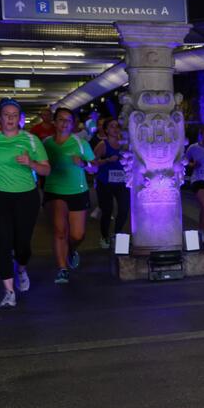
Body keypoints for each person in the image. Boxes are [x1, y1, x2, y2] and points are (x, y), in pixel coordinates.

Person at [0, 98, 50, 307]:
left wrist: (31, 162)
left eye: (14, 115)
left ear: (20, 119)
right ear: (0, 118)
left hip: (25, 197)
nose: (10, 118)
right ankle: (9, 292)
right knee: (3, 244)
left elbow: (46, 170)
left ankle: (21, 268)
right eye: (6, 115)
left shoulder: (31, 140)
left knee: (22, 246)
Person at [42, 107, 96, 285]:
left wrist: (84, 163)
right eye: (61, 119)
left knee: (78, 235)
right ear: (55, 121)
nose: (64, 123)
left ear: (73, 124)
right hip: (54, 190)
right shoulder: (46, 143)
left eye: (68, 120)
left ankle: (71, 249)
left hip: (78, 191)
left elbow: (94, 167)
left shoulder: (80, 143)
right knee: (59, 232)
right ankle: (62, 269)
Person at [93, 117, 129, 248]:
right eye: (112, 126)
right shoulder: (103, 145)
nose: (115, 129)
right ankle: (104, 237)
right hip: (105, 182)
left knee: (124, 209)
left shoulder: (124, 144)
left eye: (117, 126)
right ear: (106, 129)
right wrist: (107, 160)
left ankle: (117, 234)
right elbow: (93, 164)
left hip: (122, 182)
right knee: (107, 210)